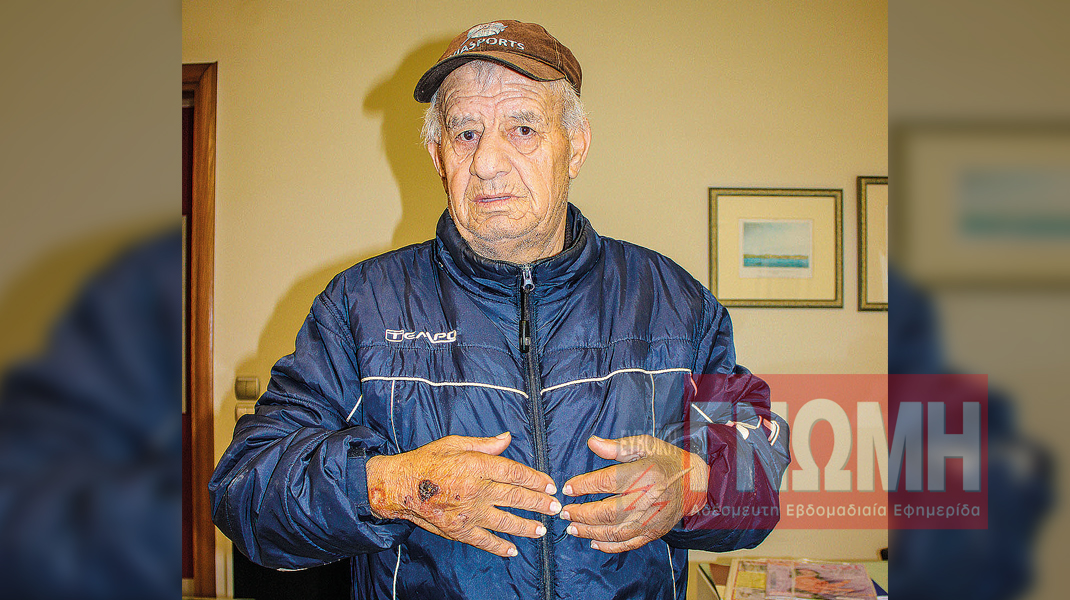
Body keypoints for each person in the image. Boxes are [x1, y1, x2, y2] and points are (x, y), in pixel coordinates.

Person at [210, 20, 790, 600]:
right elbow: (244, 492)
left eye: (523, 128)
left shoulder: (674, 303)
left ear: (575, 147)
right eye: (466, 133)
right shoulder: (358, 306)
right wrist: (399, 487)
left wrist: (692, 487)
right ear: (439, 157)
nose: (488, 161)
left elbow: (757, 478)